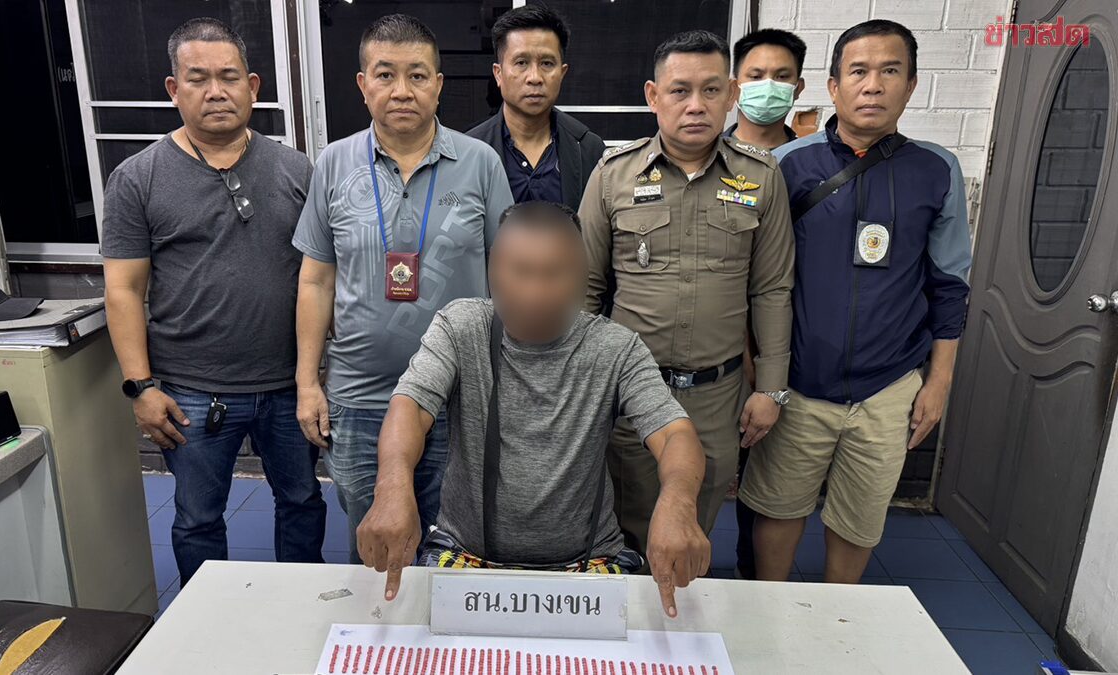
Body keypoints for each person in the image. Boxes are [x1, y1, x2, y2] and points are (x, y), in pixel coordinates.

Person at [357, 202, 711, 618]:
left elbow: (673, 433)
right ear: (492, 271)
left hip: (589, 561)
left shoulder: (616, 348)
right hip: (467, 555)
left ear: (583, 277)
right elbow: (411, 406)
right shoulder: (460, 327)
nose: (535, 294)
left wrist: (679, 502)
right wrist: (392, 484)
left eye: (555, 274)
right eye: (520, 271)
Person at [739, 20, 972, 584]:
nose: (873, 85)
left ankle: (837, 614)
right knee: (778, 510)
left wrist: (938, 382)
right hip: (798, 384)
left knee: (860, 520)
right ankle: (770, 610)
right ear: (834, 86)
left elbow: (949, 285)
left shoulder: (936, 170)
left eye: (890, 71)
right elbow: (754, 281)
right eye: (859, 72)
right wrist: (759, 376)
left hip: (888, 388)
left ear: (911, 85)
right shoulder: (787, 165)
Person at [102, 18, 325, 586]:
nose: (216, 91)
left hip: (287, 386)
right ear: (174, 89)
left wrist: (313, 377)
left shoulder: (296, 169)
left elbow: (320, 277)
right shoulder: (138, 178)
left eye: (228, 77)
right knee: (198, 518)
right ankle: (204, 618)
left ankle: (302, 607)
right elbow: (123, 290)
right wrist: (140, 386)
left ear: (253, 86)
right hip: (193, 392)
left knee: (302, 503)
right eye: (198, 78)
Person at [293, 14, 513, 563]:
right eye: (385, 74)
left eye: (417, 76)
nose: (402, 91)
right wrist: (307, 383)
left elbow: (509, 276)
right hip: (359, 398)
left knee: (453, 549)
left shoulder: (480, 164)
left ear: (438, 84)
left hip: (459, 397)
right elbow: (316, 279)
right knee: (374, 549)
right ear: (362, 84)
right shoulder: (334, 164)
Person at [579, 30, 795, 561]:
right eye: (679, 91)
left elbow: (772, 288)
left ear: (731, 94)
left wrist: (771, 388)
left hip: (717, 397)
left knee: (696, 524)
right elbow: (584, 290)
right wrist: (580, 383)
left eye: (710, 90)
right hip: (632, 392)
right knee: (628, 527)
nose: (695, 105)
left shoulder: (762, 177)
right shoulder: (613, 176)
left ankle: (680, 606)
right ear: (654, 96)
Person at [725, 28, 809, 580]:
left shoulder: (806, 163)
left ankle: (753, 581)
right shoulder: (711, 154)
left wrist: (770, 367)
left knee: (766, 485)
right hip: (724, 350)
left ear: (800, 87)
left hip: (789, 348)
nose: (768, 87)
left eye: (781, 77)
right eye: (756, 76)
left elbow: (778, 280)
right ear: (736, 85)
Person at [466, 4, 606, 210]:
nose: (535, 77)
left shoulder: (588, 149)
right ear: (498, 74)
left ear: (562, 73)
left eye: (547, 63)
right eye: (521, 63)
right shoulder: (470, 152)